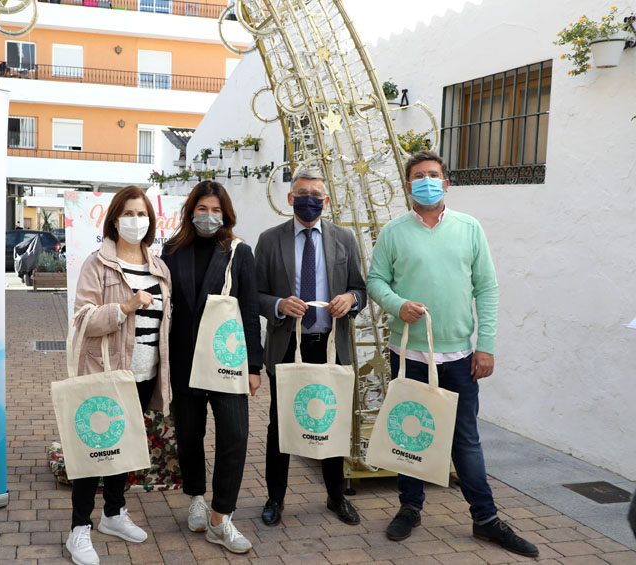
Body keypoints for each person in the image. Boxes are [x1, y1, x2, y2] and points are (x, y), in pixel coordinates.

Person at [366, 150, 538, 558]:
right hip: (408, 352)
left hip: (460, 356)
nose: (427, 181)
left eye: (434, 175)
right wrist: (397, 304)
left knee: (466, 441)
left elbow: (487, 289)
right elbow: (375, 280)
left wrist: (487, 346)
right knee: (409, 431)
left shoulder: (469, 228)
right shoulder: (393, 232)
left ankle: (486, 519)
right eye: (419, 176)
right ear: (408, 186)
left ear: (446, 183)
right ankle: (410, 507)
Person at [254, 168, 366, 527]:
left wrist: (350, 299)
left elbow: (360, 290)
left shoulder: (344, 239)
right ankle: (275, 498)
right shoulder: (270, 240)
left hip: (330, 346)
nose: (309, 200)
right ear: (290, 198)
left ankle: (336, 497)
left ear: (327, 201)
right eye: (302, 193)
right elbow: (253, 294)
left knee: (330, 421)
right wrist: (277, 305)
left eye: (317, 195)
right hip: (287, 346)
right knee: (280, 425)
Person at [68, 185, 172, 565]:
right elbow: (82, 321)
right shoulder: (98, 264)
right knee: (95, 451)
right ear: (114, 219)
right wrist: (126, 306)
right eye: (128, 214)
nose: (136, 221)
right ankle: (79, 529)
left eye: (142, 214)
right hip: (107, 372)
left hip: (144, 374)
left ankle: (113, 513)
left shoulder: (159, 267)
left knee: (123, 447)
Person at [162, 180, 262, 554]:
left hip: (228, 358)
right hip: (183, 360)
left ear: (226, 214)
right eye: (202, 209)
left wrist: (254, 365)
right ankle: (196, 498)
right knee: (188, 434)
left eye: (216, 210)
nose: (209, 216)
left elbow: (250, 311)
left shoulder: (239, 252)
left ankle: (222, 516)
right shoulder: (172, 251)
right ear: (191, 211)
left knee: (234, 435)